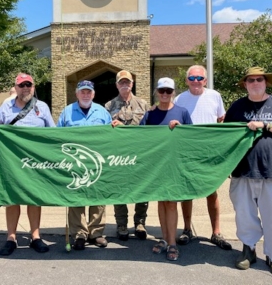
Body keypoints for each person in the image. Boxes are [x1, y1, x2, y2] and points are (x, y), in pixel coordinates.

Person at [224, 67, 272, 276]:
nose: (255, 83)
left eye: (259, 79)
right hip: (243, 170)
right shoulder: (237, 106)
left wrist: (265, 125)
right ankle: (248, 250)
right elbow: (227, 135)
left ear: (266, 83)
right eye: (251, 80)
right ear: (245, 84)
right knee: (244, 215)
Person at [0, 73, 56, 256]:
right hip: (12, 163)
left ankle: (35, 236)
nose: (25, 88)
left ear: (34, 87)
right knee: (12, 198)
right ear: (16, 87)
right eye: (22, 85)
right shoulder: (6, 106)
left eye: (29, 85)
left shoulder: (42, 107)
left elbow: (52, 133)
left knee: (34, 198)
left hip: (35, 163)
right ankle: (11, 237)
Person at [173, 65, 232, 250]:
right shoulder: (180, 99)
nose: (196, 81)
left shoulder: (215, 96)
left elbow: (222, 119)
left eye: (199, 78)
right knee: (187, 192)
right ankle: (186, 229)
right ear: (186, 81)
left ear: (205, 80)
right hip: (187, 151)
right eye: (192, 78)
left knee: (211, 191)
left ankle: (216, 232)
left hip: (209, 152)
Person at [139, 77, 192, 261]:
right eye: (161, 91)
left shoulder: (182, 112)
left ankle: (172, 244)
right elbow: (138, 136)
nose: (164, 94)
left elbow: (191, 138)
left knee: (171, 203)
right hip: (156, 165)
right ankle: (164, 238)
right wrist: (120, 127)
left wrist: (180, 128)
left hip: (174, 165)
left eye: (168, 91)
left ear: (173, 93)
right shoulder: (150, 114)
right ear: (156, 92)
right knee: (161, 202)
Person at [57, 80, 112, 250]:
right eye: (83, 92)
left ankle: (96, 233)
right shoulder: (67, 112)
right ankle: (79, 234)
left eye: (89, 92)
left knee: (98, 198)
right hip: (75, 164)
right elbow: (57, 136)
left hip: (97, 163)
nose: (86, 95)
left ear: (93, 94)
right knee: (76, 198)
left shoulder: (102, 112)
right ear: (77, 93)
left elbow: (112, 136)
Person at [105, 70, 150, 241]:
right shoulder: (108, 106)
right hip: (119, 155)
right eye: (121, 82)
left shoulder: (143, 105)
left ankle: (140, 222)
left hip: (139, 154)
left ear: (132, 84)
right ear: (117, 85)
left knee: (142, 189)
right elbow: (105, 131)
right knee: (119, 189)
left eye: (128, 82)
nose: (125, 84)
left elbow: (150, 130)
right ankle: (121, 224)